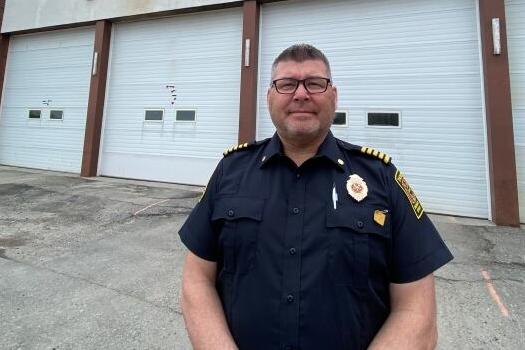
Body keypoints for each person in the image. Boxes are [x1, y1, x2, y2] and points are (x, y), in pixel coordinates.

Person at [179, 44, 453, 350]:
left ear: (334, 96)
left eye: (314, 83)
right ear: (269, 97)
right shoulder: (230, 171)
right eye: (286, 84)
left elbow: (417, 309)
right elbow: (197, 279)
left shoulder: (381, 179)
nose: (300, 94)